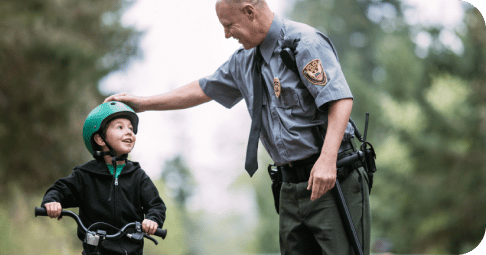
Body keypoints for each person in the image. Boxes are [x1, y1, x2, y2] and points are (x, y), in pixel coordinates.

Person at [104, 0, 370, 254]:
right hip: (290, 188)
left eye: (229, 25)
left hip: (331, 179)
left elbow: (340, 100)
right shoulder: (243, 61)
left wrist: (327, 159)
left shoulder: (304, 43)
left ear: (250, 12)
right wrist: (143, 103)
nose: (226, 34)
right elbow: (202, 89)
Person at [40, 101, 166, 255]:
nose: (129, 132)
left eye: (131, 128)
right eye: (120, 127)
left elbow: (156, 205)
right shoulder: (85, 175)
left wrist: (152, 220)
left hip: (130, 251)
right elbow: (59, 190)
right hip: (95, 250)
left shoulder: (138, 176)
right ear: (100, 139)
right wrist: (52, 202)